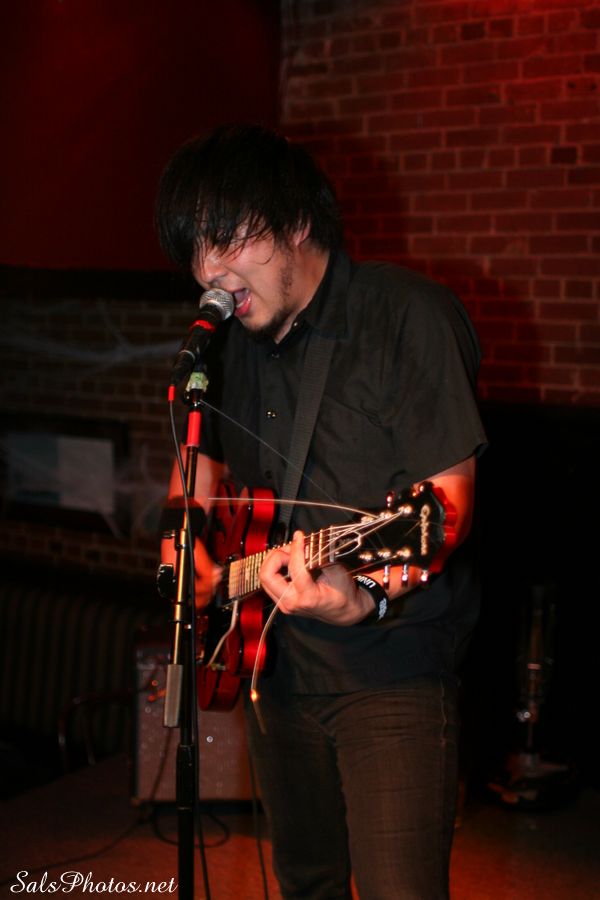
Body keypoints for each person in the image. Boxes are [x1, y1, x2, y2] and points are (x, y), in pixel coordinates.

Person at [156, 122, 487, 899]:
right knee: (306, 883)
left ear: (298, 221)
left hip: (392, 670)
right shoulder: (227, 343)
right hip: (273, 664)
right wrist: (181, 547)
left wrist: (363, 592)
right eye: (195, 249)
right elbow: (196, 462)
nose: (208, 271)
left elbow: (446, 505)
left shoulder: (407, 316)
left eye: (227, 239)